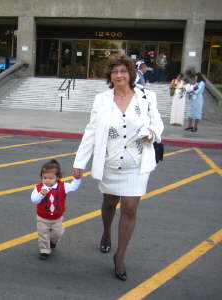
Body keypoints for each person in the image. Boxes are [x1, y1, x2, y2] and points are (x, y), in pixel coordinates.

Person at [72, 54, 164, 281]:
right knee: (110, 201)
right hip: (111, 161)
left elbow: (157, 123)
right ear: (110, 76)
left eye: (123, 71)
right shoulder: (101, 99)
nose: (119, 75)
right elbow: (91, 131)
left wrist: (152, 134)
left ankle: (120, 255)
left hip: (136, 163)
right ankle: (106, 233)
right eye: (115, 72)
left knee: (130, 207)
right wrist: (79, 162)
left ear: (131, 74)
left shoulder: (146, 97)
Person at [31, 159, 81, 260]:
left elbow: (74, 187)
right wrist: (41, 194)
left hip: (57, 218)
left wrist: (77, 179)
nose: (47, 180)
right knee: (43, 235)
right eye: (44, 178)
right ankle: (44, 250)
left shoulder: (63, 186)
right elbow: (34, 200)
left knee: (58, 233)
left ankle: (53, 241)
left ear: (57, 177)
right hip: (42, 218)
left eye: (50, 178)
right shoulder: (39, 188)